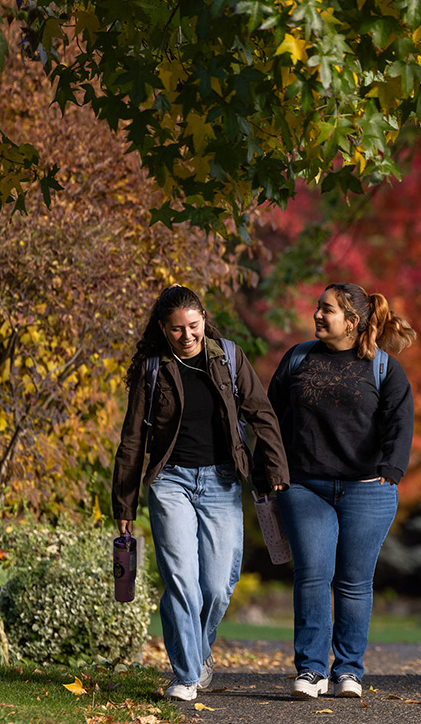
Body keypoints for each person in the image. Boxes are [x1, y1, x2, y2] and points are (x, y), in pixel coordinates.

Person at [112, 285, 289, 701]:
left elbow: (260, 413)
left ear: (204, 319)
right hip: (169, 481)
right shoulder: (152, 368)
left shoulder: (228, 357)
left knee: (215, 585)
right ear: (163, 329)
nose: (187, 336)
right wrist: (124, 501)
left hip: (222, 481)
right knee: (180, 580)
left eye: (193, 326)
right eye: (176, 330)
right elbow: (133, 438)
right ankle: (186, 674)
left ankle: (198, 652)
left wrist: (276, 467)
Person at [267, 282, 417, 700]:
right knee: (312, 575)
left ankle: (348, 670)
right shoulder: (297, 358)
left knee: (353, 582)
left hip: (367, 489)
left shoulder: (383, 367)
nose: (317, 314)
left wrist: (392, 468)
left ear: (351, 322)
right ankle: (311, 671)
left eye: (326, 310)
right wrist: (273, 467)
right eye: (318, 307)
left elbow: (400, 422)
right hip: (304, 486)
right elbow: (269, 415)